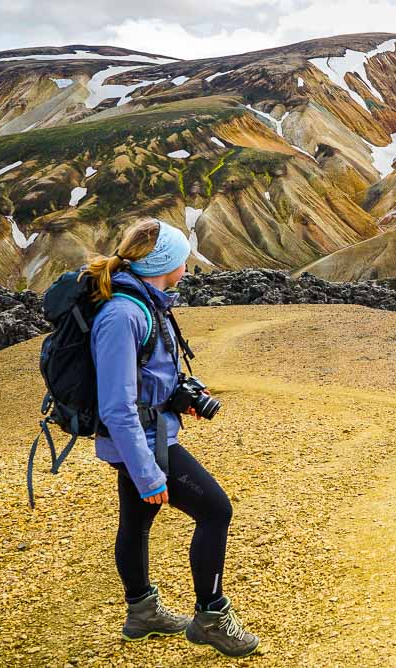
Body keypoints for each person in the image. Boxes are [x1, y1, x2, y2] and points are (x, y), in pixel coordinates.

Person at [87, 219, 259, 657]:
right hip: (144, 442)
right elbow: (117, 407)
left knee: (137, 521)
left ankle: (142, 612)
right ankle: (211, 615)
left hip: (149, 434)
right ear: (168, 264)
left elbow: (148, 377)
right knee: (216, 510)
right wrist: (148, 474)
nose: (188, 264)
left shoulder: (148, 302)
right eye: (184, 257)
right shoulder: (124, 314)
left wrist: (179, 394)